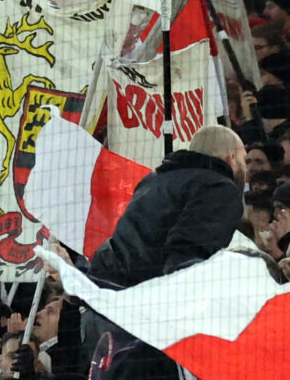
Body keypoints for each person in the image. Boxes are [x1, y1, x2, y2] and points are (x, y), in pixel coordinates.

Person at [83, 124, 246, 289]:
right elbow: (188, 257)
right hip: (143, 302)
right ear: (231, 158)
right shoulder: (219, 188)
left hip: (104, 288)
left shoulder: (152, 181)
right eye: (243, 159)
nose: (245, 168)